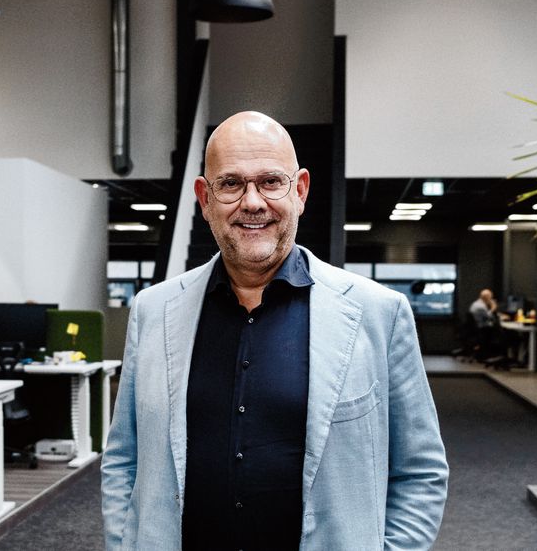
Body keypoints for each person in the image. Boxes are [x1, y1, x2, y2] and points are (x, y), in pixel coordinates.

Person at [101, 111, 449, 550]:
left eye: (270, 181)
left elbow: (419, 471)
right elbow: (123, 459)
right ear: (204, 198)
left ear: (300, 191)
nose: (252, 202)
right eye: (231, 184)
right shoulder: (153, 311)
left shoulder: (379, 314)